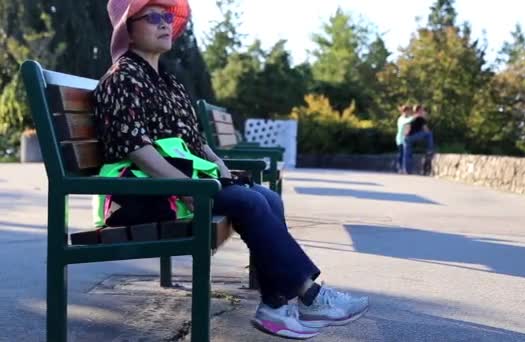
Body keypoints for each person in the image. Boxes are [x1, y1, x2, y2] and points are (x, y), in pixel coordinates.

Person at [94, 0, 369, 339]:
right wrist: (187, 188)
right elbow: (137, 151)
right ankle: (310, 295)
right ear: (129, 31)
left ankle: (276, 305)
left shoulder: (170, 83)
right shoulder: (122, 78)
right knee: (249, 203)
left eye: (167, 16)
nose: (165, 23)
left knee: (267, 197)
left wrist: (221, 168)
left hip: (179, 186)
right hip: (141, 196)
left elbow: (196, 141)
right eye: (153, 17)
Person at [404, 105, 434, 174]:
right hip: (412, 137)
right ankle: (430, 149)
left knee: (407, 154)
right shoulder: (421, 118)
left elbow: (406, 127)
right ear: (419, 110)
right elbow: (426, 130)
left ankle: (408, 171)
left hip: (406, 137)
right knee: (429, 133)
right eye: (423, 110)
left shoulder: (411, 117)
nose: (424, 111)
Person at [395, 105, 413, 174]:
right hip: (400, 139)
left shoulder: (409, 118)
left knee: (407, 155)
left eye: (409, 111)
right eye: (407, 111)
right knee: (401, 154)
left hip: (406, 139)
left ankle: (405, 169)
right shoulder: (401, 119)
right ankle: (399, 168)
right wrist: (415, 116)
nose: (408, 112)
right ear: (404, 111)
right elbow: (405, 122)